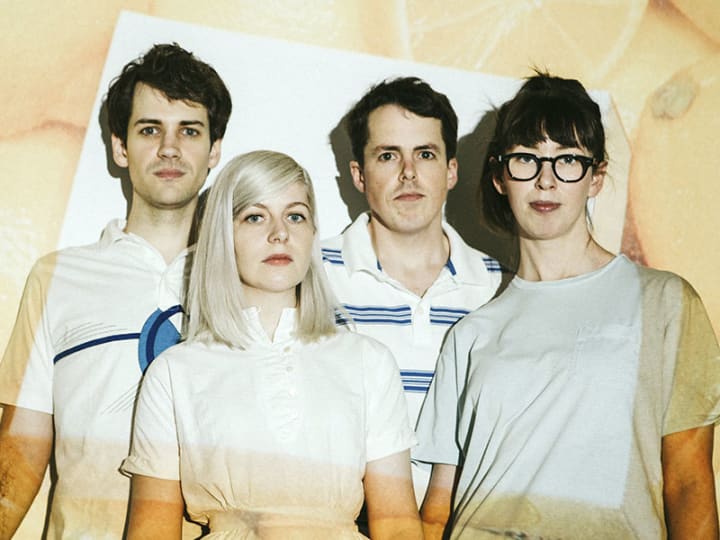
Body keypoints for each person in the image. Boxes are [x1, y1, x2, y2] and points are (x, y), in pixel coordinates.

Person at [415, 73, 720, 539]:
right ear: (499, 176)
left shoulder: (665, 302)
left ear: (596, 177)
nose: (545, 180)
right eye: (526, 159)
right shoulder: (471, 334)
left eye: (568, 160)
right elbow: (438, 509)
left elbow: (689, 483)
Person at [121, 150, 421, 539]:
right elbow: (151, 531)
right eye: (255, 217)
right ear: (222, 237)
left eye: (295, 216)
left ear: (312, 233)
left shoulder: (368, 360)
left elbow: (397, 524)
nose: (280, 233)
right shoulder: (173, 372)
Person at [0, 43, 231, 538]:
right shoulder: (58, 276)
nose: (169, 148)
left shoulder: (249, 282)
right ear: (120, 147)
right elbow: (20, 446)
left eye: (189, 131)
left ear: (214, 150)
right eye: (150, 129)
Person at [321, 77, 503, 503]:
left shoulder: (500, 287)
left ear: (451, 170)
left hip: (463, 520)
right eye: (388, 155)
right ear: (359, 175)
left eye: (425, 154)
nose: (408, 173)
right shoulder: (309, 274)